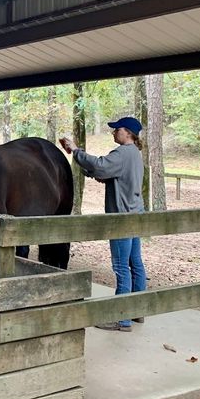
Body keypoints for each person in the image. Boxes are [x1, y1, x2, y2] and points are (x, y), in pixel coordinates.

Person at [59, 116, 147, 332]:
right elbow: (109, 173)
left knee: (120, 267)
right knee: (135, 262)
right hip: (136, 214)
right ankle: (137, 311)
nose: (113, 133)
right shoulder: (135, 154)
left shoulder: (122, 153)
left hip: (121, 218)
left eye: (117, 130)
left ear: (127, 133)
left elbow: (100, 165)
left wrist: (76, 150)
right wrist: (98, 174)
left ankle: (122, 319)